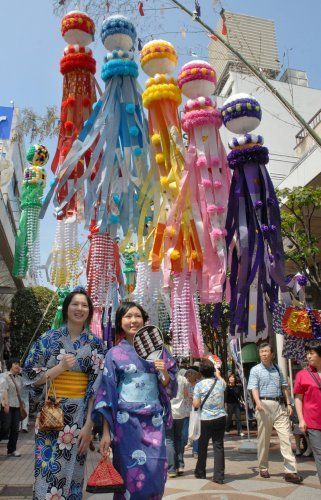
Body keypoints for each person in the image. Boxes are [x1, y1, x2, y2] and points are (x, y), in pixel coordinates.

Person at [23, 288, 105, 500]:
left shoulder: (95, 344)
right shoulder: (48, 338)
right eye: (75, 304)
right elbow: (29, 374)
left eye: (84, 305)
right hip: (52, 412)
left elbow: (96, 388)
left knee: (76, 472)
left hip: (79, 417)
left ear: (90, 311)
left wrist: (89, 425)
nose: (79, 309)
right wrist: (58, 369)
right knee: (47, 469)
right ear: (66, 308)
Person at [94, 301, 177, 499]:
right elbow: (106, 394)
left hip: (154, 421)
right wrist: (106, 433)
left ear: (144, 320)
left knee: (156, 476)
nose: (133, 320)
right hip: (126, 425)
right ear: (120, 322)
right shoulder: (113, 354)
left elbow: (170, 386)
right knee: (127, 477)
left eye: (137, 316)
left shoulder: (161, 351)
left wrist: (163, 370)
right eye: (128, 316)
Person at [248, 342, 302, 484]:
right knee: (264, 439)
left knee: (286, 437)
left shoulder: (278, 368)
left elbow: (284, 386)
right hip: (263, 405)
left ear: (272, 354)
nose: (264, 354)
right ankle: (263, 467)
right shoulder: (255, 370)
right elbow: (253, 388)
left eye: (266, 351)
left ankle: (290, 471)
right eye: (262, 352)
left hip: (279, 405)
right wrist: (258, 403)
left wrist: (288, 403)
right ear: (259, 354)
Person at [193, 360, 227, 484]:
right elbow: (224, 383)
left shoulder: (199, 385)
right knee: (218, 446)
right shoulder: (220, 383)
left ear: (201, 372)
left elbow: (196, 404)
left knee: (202, 446)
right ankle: (219, 476)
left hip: (205, 419)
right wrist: (218, 374)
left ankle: (200, 472)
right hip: (220, 417)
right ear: (213, 370)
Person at [294, 341, 321, 483]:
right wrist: (301, 419)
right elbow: (298, 399)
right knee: (319, 453)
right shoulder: (302, 375)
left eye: (312, 353)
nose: (308, 356)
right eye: (307, 353)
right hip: (313, 421)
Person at [166, 368, 190, 477]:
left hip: (168, 412)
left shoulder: (165, 377)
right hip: (180, 413)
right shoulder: (183, 379)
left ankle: (171, 469)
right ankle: (180, 465)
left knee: (169, 440)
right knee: (178, 438)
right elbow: (186, 394)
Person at [0, 358, 23, 457]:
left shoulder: (19, 378)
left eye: (18, 364)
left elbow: (20, 392)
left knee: (15, 429)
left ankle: (12, 449)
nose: (17, 365)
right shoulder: (3, 376)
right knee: (5, 427)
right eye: (15, 363)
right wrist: (6, 404)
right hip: (7, 406)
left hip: (17, 406)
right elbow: (3, 390)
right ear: (10, 364)